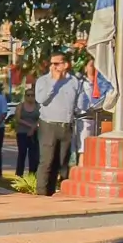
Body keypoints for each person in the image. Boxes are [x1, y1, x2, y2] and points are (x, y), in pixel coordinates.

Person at [34, 52, 86, 196]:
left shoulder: (74, 81)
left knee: (62, 162)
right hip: (48, 125)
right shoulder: (44, 80)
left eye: (56, 64)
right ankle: (41, 194)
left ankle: (55, 192)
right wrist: (54, 82)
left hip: (66, 126)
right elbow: (41, 99)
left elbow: (80, 103)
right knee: (47, 161)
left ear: (66, 65)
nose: (53, 67)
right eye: (51, 64)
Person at [15, 85, 41, 178]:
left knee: (33, 155)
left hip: (35, 133)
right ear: (25, 96)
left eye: (32, 95)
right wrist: (30, 126)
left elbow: (41, 119)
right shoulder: (20, 106)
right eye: (28, 95)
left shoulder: (38, 106)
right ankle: (19, 175)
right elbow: (18, 119)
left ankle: (32, 175)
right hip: (22, 133)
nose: (30, 97)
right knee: (22, 153)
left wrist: (33, 128)